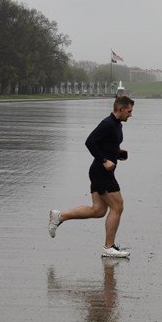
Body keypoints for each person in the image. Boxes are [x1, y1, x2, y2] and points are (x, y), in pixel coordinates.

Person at [48, 95, 134, 258]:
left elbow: (105, 144)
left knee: (98, 210)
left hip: (100, 172)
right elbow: (90, 142)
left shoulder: (116, 125)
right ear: (120, 109)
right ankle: (109, 247)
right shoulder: (107, 124)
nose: (130, 114)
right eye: (129, 111)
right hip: (101, 172)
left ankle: (59, 216)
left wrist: (117, 152)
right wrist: (104, 160)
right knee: (118, 207)